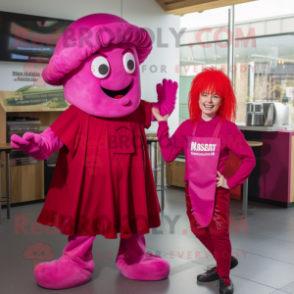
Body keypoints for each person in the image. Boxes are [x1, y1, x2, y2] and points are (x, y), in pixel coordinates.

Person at [152, 68, 256, 294]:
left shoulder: (228, 129)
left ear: (222, 101)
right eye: (205, 94)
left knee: (219, 233)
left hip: (217, 193)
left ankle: (225, 277)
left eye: (215, 96)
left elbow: (249, 159)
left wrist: (230, 182)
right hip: (192, 192)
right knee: (199, 231)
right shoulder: (188, 126)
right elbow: (169, 155)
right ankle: (223, 261)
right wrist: (162, 124)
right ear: (197, 96)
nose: (209, 100)